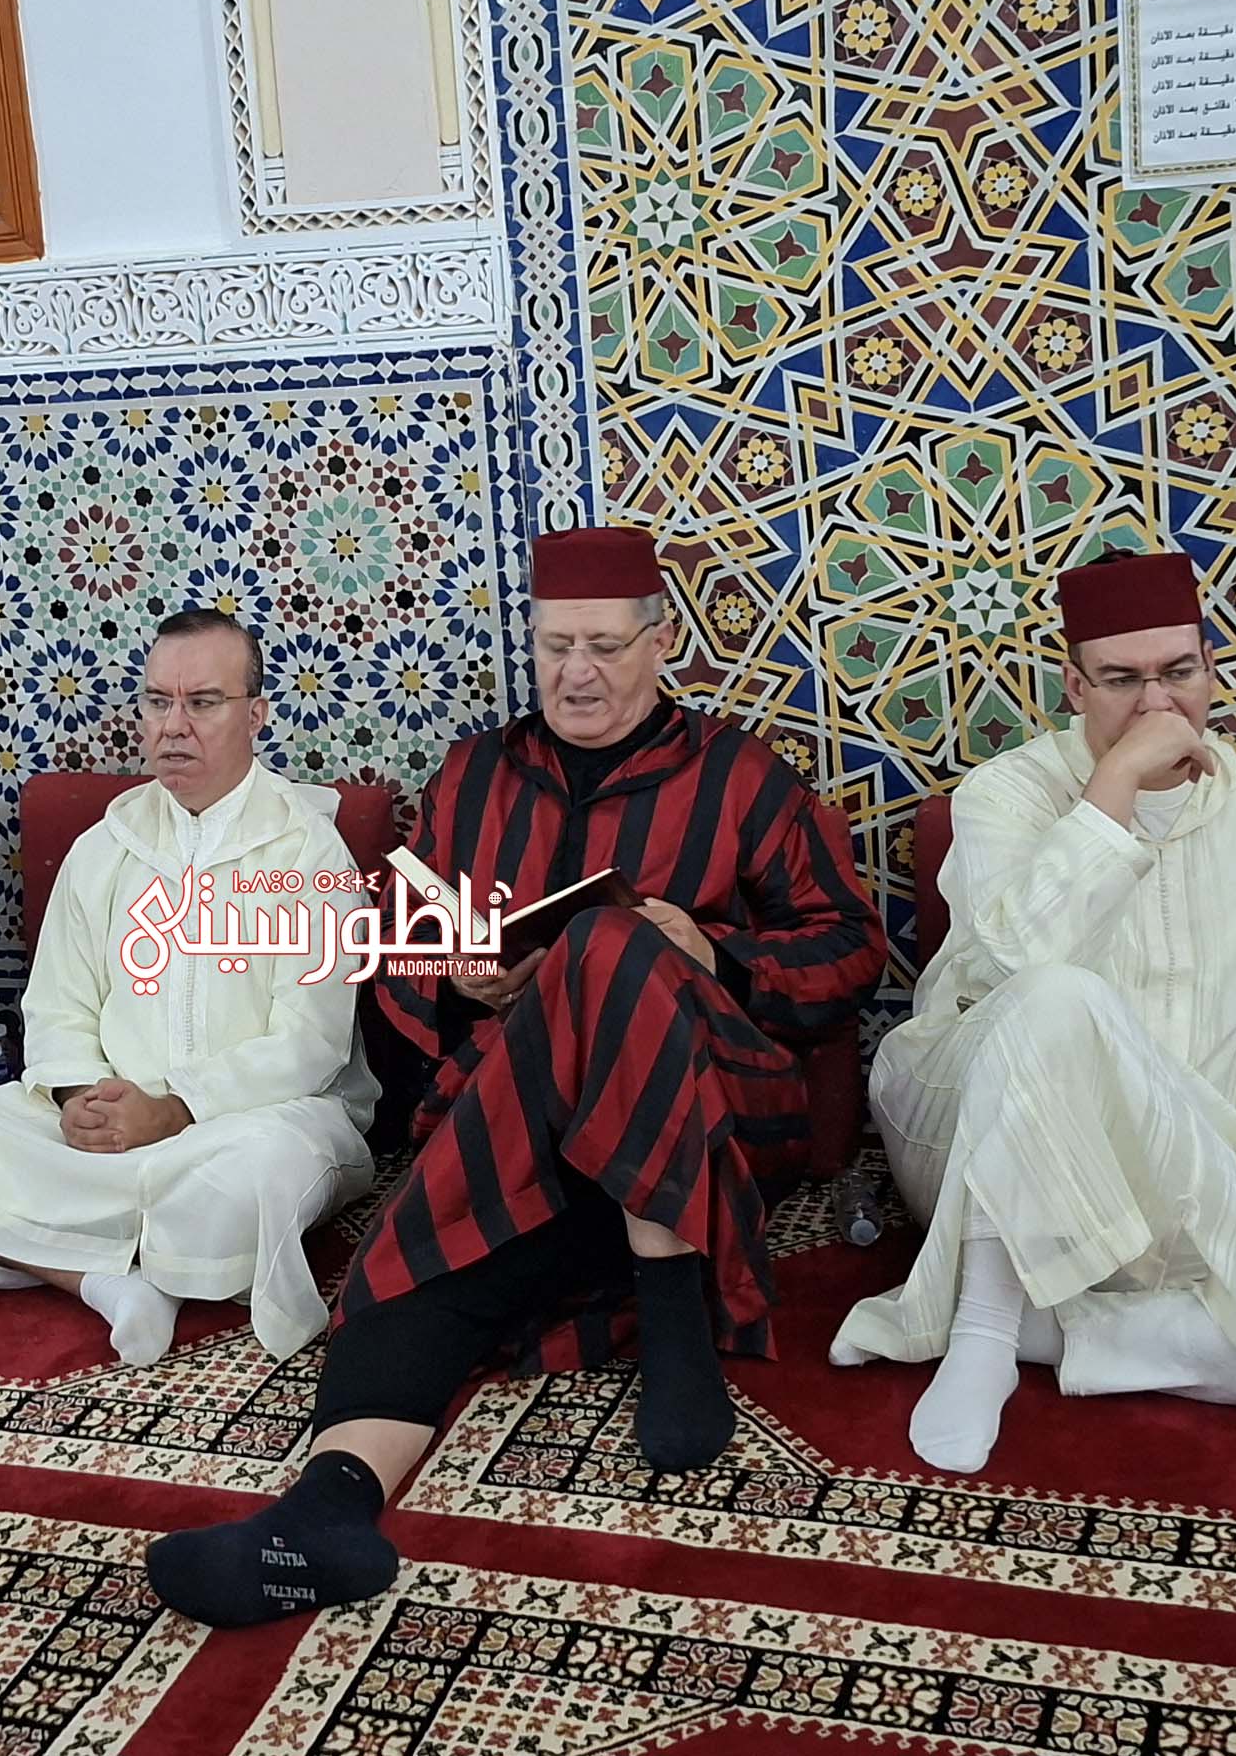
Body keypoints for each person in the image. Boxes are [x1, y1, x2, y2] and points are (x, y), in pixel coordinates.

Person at [147, 527, 881, 1628]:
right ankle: (322, 1513)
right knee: (434, 1254)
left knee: (609, 943)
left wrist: (711, 950)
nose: (576, 673)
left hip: (709, 1112)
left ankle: (675, 1309)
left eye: (603, 646)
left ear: (659, 644)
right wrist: (458, 978)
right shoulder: (475, 774)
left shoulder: (740, 777)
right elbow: (398, 943)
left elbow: (849, 950)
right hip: (522, 1110)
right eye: (553, 647)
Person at [827, 547, 1236, 1471]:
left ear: (1211, 669)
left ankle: (1035, 1330)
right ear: (1076, 687)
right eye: (1123, 680)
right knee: (1056, 995)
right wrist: (1113, 790)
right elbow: (1017, 962)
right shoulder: (1006, 793)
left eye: (1178, 673)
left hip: (1172, 1170)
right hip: (971, 1134)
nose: (1157, 705)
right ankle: (980, 1335)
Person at [0, 608, 376, 1365]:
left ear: (256, 715)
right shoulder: (105, 846)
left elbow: (310, 1044)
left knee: (256, 1178)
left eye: (203, 703)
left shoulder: (308, 852)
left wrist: (173, 1109)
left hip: (249, 1125)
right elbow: (57, 1005)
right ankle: (109, 1282)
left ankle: (12, 1247)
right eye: (158, 701)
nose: (174, 726)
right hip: (102, 1129)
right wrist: (79, 1100)